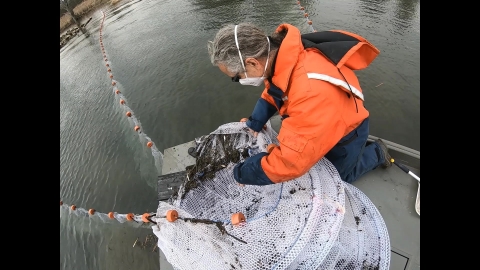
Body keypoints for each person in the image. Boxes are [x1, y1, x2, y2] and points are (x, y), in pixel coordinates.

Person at [207, 22, 392, 185]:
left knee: (338, 177)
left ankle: (377, 153)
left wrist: (241, 173)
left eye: (237, 77)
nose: (239, 81)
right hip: (324, 117)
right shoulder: (283, 57)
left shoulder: (309, 92)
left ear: (253, 62)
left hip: (346, 131)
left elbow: (290, 164)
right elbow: (274, 92)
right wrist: (256, 121)